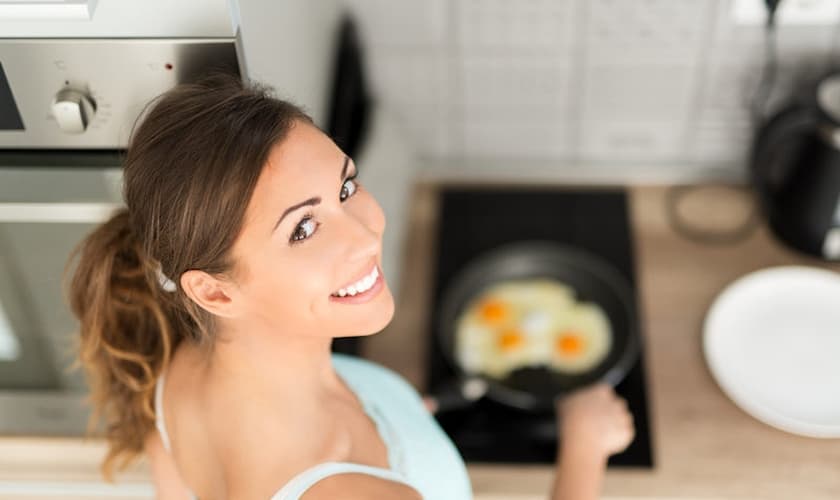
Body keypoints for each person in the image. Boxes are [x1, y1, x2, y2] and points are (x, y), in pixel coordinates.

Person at [68, 74, 634, 500]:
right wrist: (585, 446)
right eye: (303, 228)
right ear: (215, 292)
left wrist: (400, 418)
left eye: (344, 187)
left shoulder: (178, 374)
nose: (366, 234)